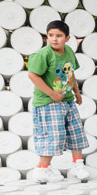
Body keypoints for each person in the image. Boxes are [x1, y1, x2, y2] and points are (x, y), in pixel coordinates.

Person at [27, 20, 90, 184]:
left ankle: (78, 165)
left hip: (67, 100)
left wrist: (77, 91)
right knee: (53, 135)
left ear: (67, 38)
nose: (54, 39)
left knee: (76, 132)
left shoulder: (68, 51)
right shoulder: (44, 54)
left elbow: (71, 73)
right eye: (51, 35)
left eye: (59, 36)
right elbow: (33, 75)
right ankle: (42, 169)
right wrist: (52, 94)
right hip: (48, 102)